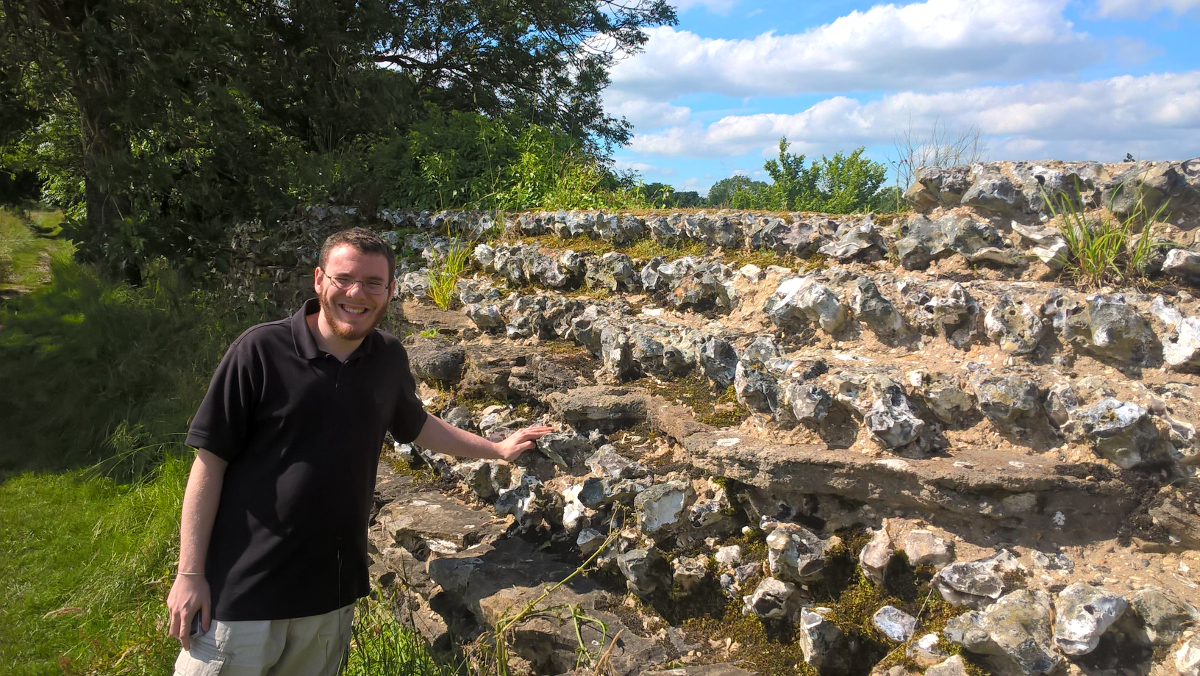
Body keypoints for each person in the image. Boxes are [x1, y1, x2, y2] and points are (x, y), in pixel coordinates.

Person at [166, 227, 551, 676]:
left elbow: (418, 424)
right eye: (344, 278)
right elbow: (209, 464)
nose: (357, 293)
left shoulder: (387, 357)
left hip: (328, 599)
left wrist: (497, 449)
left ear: (390, 291)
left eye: (373, 283)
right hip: (241, 593)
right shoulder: (259, 351)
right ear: (318, 280)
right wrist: (190, 575)